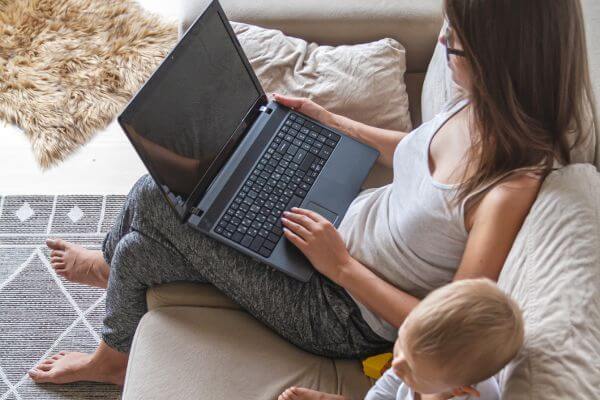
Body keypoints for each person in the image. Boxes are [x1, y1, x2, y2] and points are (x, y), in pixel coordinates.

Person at [28, 0, 596, 386]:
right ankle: (111, 262)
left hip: (341, 310)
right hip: (331, 229)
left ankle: (111, 356)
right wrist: (334, 123)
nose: (445, 42)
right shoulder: (482, 109)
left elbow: (439, 324)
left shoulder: (507, 191)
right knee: (146, 246)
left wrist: (342, 265)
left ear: (505, 63)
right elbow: (421, 153)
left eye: (456, 44)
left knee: (157, 198)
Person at [278, 279, 524, 400]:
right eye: (402, 342)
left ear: (461, 389)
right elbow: (384, 392)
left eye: (412, 369)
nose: (396, 365)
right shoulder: (414, 361)